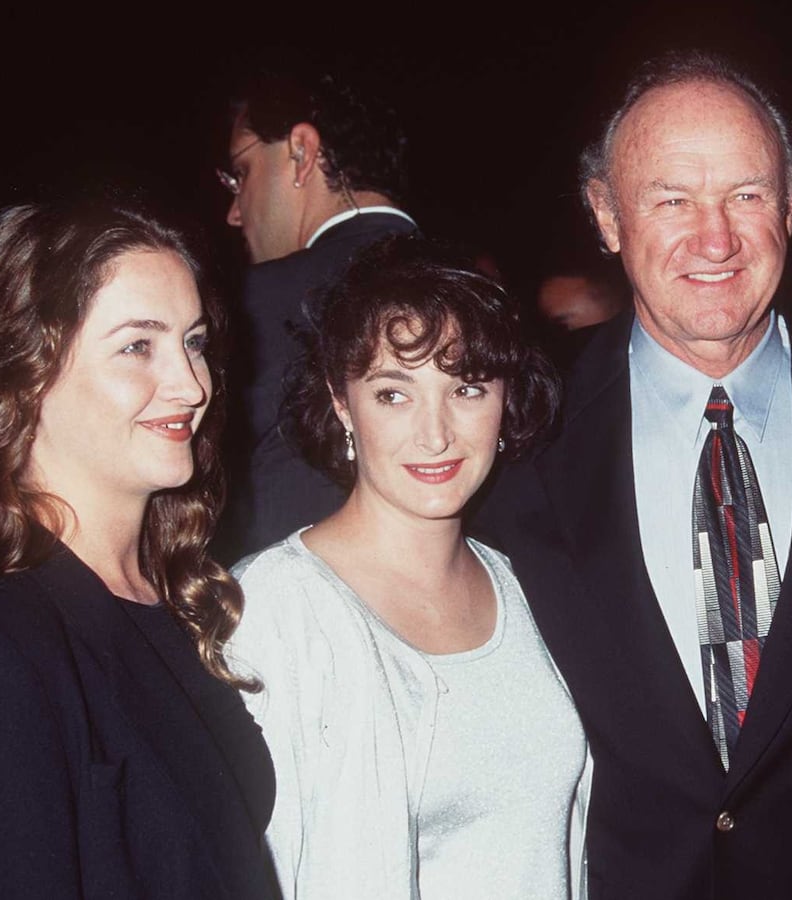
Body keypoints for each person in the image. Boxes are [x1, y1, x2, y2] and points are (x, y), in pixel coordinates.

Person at [477, 51, 792, 898]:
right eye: (672, 199)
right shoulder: (512, 424)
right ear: (606, 215)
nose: (716, 239)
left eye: (746, 195)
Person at [0, 199, 278, 900]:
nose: (192, 385)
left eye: (194, 342)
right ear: (25, 370)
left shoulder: (168, 595)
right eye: (138, 346)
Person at [227, 235, 584, 900]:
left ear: (505, 400)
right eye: (393, 394)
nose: (435, 434)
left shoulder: (526, 587)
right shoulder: (275, 609)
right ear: (342, 403)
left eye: (467, 389)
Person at [217, 68, 418, 559]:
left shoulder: (253, 306)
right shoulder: (487, 292)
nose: (234, 212)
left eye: (241, 173)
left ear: (302, 153)